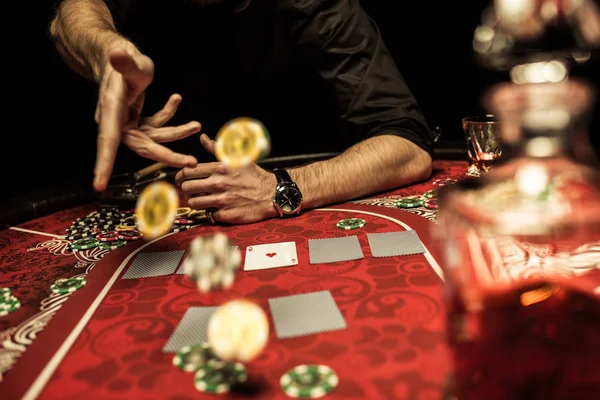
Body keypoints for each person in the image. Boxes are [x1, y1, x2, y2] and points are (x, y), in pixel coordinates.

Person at [49, 0, 434, 224]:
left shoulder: (317, 6)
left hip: (301, 204)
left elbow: (406, 145)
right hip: (155, 209)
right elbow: (75, 12)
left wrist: (279, 188)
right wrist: (104, 49)